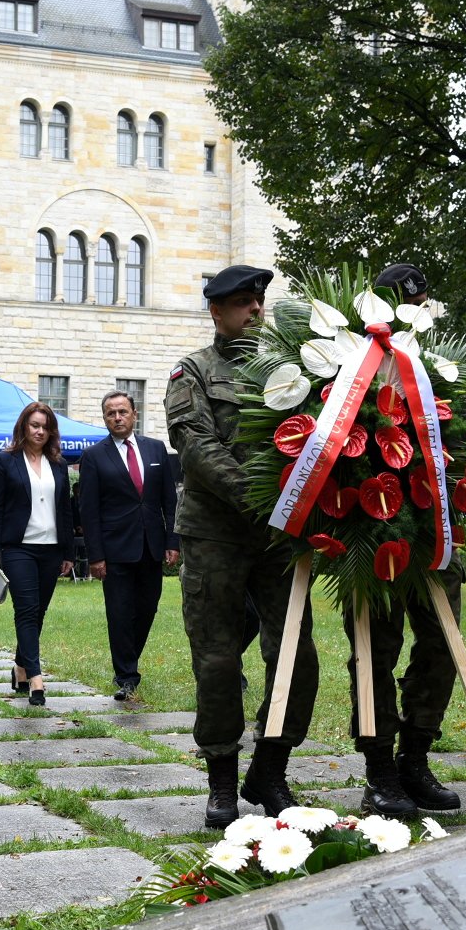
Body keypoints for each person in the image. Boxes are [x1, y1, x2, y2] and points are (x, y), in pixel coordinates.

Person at [166, 263, 318, 830]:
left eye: (259, 301)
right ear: (217, 311)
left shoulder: (292, 372)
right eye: (243, 303)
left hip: (280, 538)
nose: (256, 310)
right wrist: (262, 498)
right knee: (218, 660)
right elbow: (197, 448)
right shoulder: (193, 373)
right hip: (215, 536)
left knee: (296, 659)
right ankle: (223, 783)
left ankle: (271, 770)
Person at [340, 262, 466, 818]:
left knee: (441, 645)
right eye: (400, 301)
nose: (413, 308)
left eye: (419, 299)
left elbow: (458, 433)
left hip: (431, 528)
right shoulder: (349, 356)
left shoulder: (438, 364)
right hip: (371, 529)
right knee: (374, 649)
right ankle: (379, 769)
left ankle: (416, 756)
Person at [79, 389, 181, 701]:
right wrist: (95, 556)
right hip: (114, 551)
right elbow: (89, 511)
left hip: (151, 546)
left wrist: (172, 541)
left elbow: (169, 500)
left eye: (122, 411)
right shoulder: (94, 456)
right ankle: (126, 675)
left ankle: (129, 660)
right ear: (105, 418)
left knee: (147, 609)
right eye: (111, 413)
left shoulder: (155, 449)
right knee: (120, 613)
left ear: (134, 414)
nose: (117, 417)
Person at [0, 402, 76, 707]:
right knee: (25, 609)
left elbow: (65, 510)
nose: (39, 431)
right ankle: (36, 679)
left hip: (51, 548)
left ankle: (20, 667)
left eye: (45, 426)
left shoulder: (58, 464)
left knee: (38, 613)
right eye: (34, 425)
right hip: (17, 547)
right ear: (23, 426)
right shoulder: (5, 461)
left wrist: (68, 551)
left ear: (51, 431)